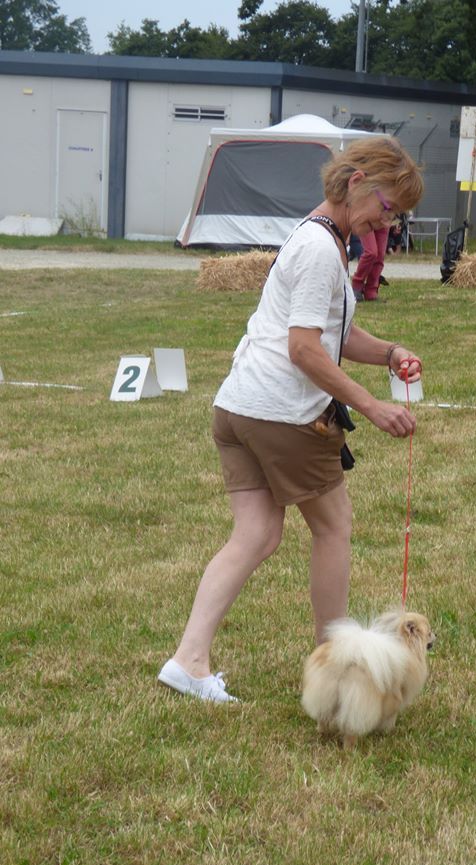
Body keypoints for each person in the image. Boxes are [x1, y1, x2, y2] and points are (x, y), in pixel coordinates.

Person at [158, 137, 424, 702]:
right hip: (283, 416)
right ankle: (338, 673)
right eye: (388, 205)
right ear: (355, 182)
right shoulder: (322, 251)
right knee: (333, 528)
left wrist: (390, 351)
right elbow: (304, 350)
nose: (390, 221)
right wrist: (372, 406)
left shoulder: (320, 237)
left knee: (255, 533)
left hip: (236, 409)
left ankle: (189, 660)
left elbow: (335, 332)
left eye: (397, 213)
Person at [352, 220, 390, 302]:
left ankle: (371, 291)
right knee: (371, 252)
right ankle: (357, 285)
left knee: (380, 256)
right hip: (365, 216)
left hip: (384, 216)